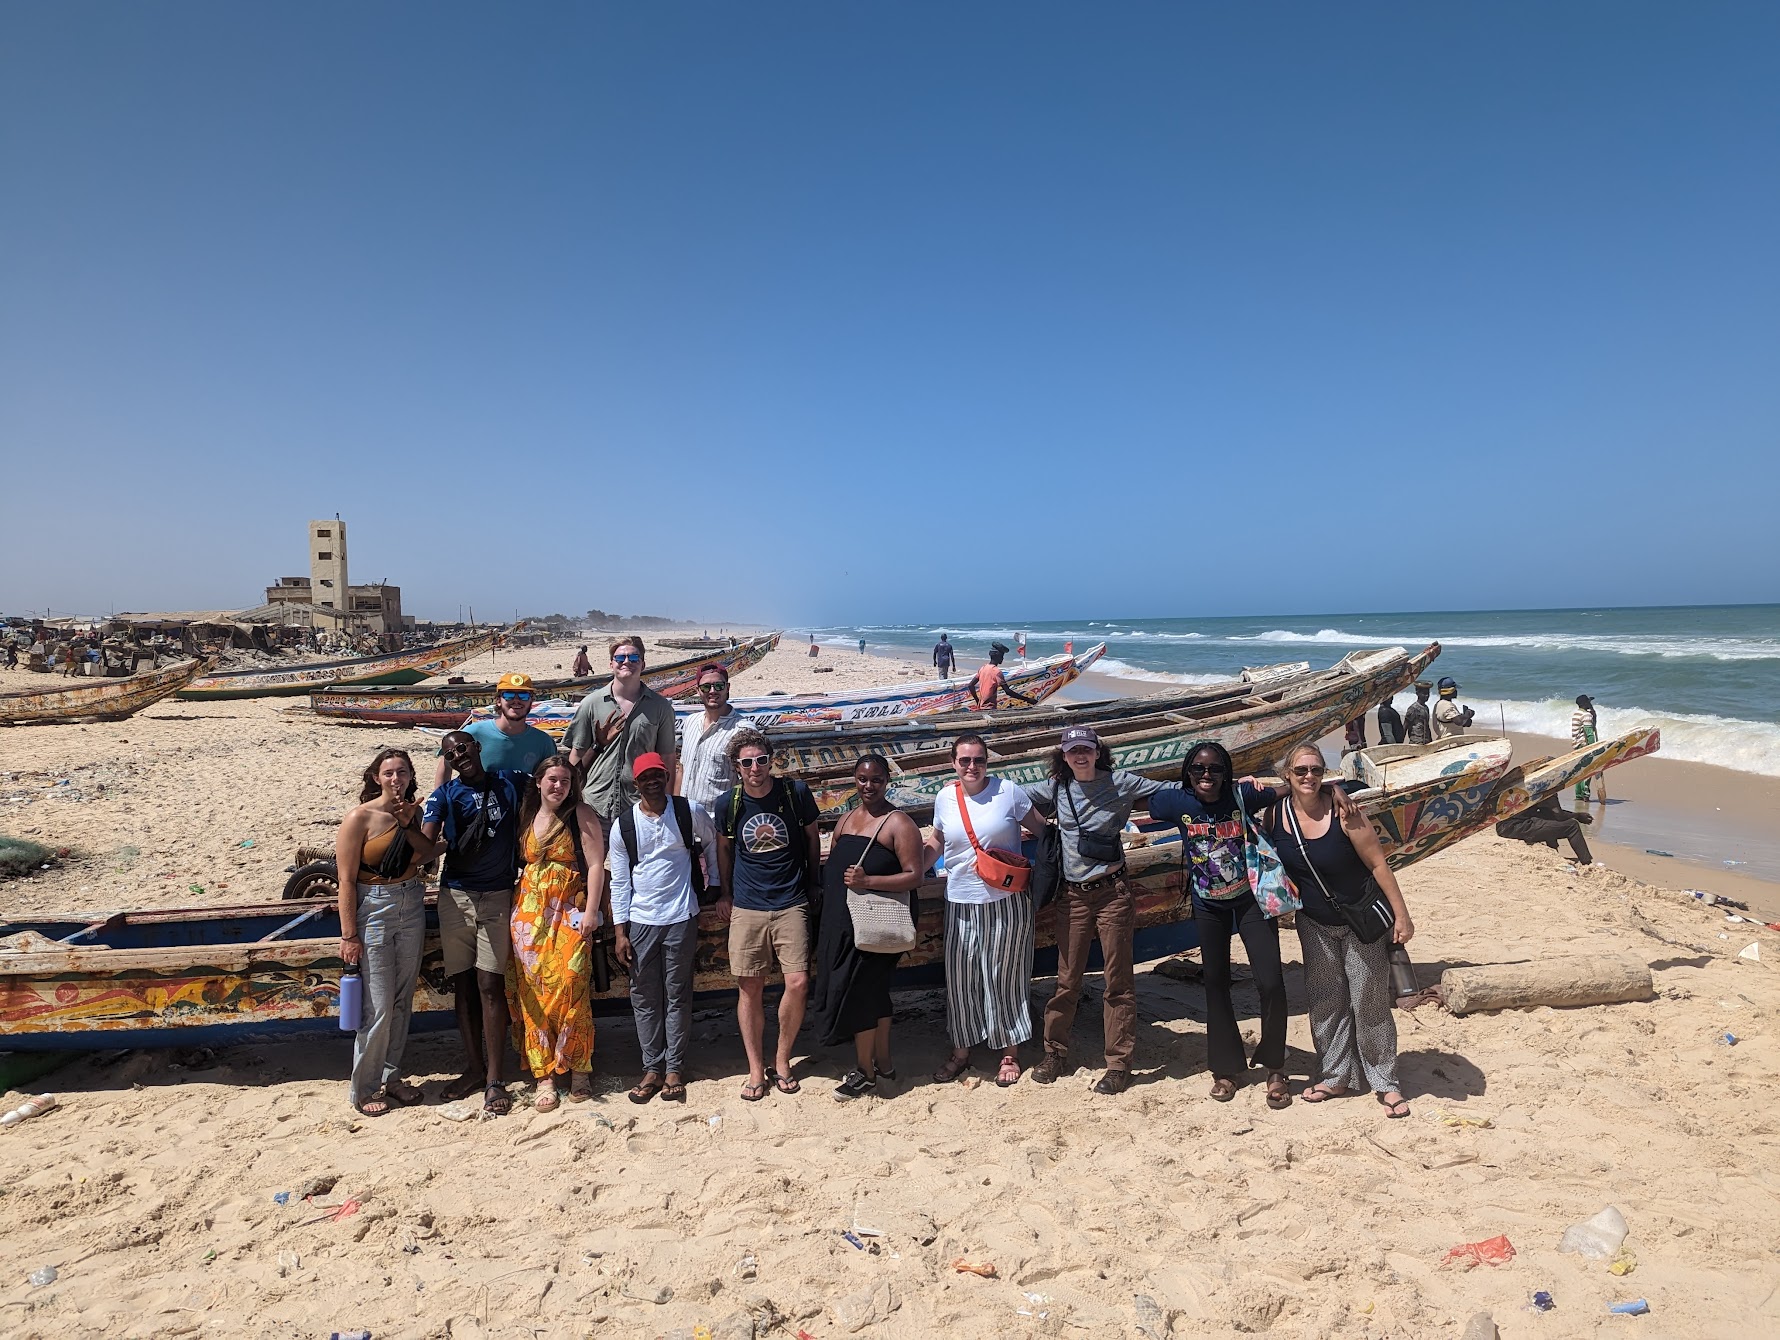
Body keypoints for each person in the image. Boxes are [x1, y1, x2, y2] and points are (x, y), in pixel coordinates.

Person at [1263, 742, 1415, 1119]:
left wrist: (1402, 915)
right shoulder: (1273, 815)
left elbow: (1379, 865)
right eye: (1301, 771)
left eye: (1317, 770)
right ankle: (1335, 1075)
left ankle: (1385, 1081)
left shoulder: (1345, 813)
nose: (1309, 777)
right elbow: (1234, 797)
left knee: (1370, 1000)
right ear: (1287, 776)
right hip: (1314, 923)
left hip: (1360, 921)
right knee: (1325, 1000)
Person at [1149, 740, 1300, 1108]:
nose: (1206, 775)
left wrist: (1333, 792)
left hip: (1249, 901)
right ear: (1187, 772)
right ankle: (1226, 1068)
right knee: (1216, 984)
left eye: (1215, 769)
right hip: (1207, 906)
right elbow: (1140, 801)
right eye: (1199, 769)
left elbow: (1290, 788)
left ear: (1226, 772)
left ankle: (1275, 1067)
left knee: (1271, 982)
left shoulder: (1241, 795)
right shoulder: (1175, 802)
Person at [1025, 726, 1163, 1095]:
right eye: (1073, 751)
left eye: (1086, 749)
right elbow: (1011, 797)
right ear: (1064, 755)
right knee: (1067, 980)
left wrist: (1237, 785)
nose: (1080, 756)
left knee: (1118, 982)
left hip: (1112, 894)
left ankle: (1118, 1065)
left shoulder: (1122, 782)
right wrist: (960, 788)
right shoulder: (1056, 787)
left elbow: (1171, 792)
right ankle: (1054, 1053)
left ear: (1098, 751)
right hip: (1071, 897)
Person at [926, 733, 1050, 1087]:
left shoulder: (1009, 792)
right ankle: (962, 1050)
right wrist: (912, 870)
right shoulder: (945, 797)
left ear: (987, 762)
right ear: (953, 763)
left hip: (1006, 900)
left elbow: (1042, 832)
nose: (971, 766)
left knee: (1005, 976)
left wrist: (1050, 875)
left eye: (978, 760)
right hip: (960, 899)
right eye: (964, 760)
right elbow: (936, 841)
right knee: (962, 978)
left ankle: (1009, 1050)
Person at [421, 731, 532, 1116]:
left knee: (490, 982)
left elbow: (558, 781)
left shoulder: (510, 781)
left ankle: (495, 1078)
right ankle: (474, 1067)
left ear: (477, 748)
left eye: (463, 748)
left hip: (499, 895)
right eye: (450, 753)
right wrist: (418, 838)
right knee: (464, 984)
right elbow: (426, 844)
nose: (458, 756)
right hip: (456, 897)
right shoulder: (443, 796)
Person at [334, 748, 443, 1116]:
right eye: (389, 773)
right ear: (376, 778)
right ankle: (365, 1088)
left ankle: (392, 1077)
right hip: (374, 908)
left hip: (410, 901)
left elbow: (425, 855)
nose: (396, 779)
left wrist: (411, 824)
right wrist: (349, 935)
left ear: (411, 776)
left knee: (400, 1000)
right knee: (377, 1006)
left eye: (402, 772)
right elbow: (345, 880)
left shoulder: (413, 813)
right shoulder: (359, 818)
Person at [811, 754, 924, 1100]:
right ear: (854, 780)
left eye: (876, 780)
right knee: (874, 993)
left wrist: (869, 879)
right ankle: (885, 1063)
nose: (868, 786)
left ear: (887, 781)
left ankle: (865, 1073)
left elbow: (914, 875)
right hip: (842, 922)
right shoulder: (845, 819)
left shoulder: (898, 823)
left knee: (860, 993)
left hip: (878, 923)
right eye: (862, 779)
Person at [717, 729, 822, 1100]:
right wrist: (725, 893)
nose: (755, 768)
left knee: (797, 983)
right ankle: (754, 1067)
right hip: (748, 905)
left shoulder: (795, 794)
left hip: (791, 900)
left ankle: (782, 1060)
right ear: (737, 767)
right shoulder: (727, 804)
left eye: (761, 760)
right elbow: (724, 850)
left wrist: (814, 882)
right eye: (747, 762)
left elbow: (812, 838)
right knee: (750, 987)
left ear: (770, 760)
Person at [611, 752, 715, 1104]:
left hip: (681, 917)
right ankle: (651, 1067)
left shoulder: (688, 811)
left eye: (658, 775)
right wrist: (620, 931)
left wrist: (715, 886)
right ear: (636, 784)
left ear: (667, 776)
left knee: (677, 995)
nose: (653, 782)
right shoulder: (624, 825)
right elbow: (621, 881)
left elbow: (713, 844)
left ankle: (673, 1069)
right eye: (646, 777)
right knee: (644, 997)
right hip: (641, 921)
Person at [508, 753, 606, 1111]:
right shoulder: (527, 816)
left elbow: (596, 864)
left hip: (568, 912)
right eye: (552, 780)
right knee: (532, 994)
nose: (558, 786)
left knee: (570, 983)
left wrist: (592, 911)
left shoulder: (580, 813)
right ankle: (544, 1074)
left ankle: (578, 1066)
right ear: (538, 782)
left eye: (565, 780)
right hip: (527, 919)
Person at [564, 637, 678, 827]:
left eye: (634, 658)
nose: (627, 662)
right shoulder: (591, 704)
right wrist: (568, 798)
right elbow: (577, 753)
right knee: (591, 858)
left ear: (643, 664)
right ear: (611, 664)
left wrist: (668, 804)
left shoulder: (660, 707)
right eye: (620, 658)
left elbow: (667, 758)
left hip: (641, 806)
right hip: (595, 804)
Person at [675, 664, 749, 893]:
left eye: (718, 685)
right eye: (706, 686)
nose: (712, 691)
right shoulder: (690, 723)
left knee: (720, 894)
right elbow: (682, 768)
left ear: (728, 688)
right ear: (698, 690)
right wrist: (675, 809)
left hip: (720, 831)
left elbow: (750, 781)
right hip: (687, 826)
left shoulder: (742, 730)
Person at [433, 672, 556, 789]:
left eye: (524, 695)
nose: (516, 700)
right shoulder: (473, 733)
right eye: (509, 695)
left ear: (531, 700)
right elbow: (446, 764)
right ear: (498, 701)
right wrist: (439, 801)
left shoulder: (543, 741)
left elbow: (552, 779)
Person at [1496, 793, 1594, 864]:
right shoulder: (1549, 789)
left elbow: (1551, 813)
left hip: (1503, 825)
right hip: (1516, 827)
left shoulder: (1535, 786)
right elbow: (1559, 815)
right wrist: (1578, 816)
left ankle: (1553, 850)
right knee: (1572, 826)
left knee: (1547, 817)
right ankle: (1586, 862)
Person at [969, 645, 1036, 711]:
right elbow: (1008, 691)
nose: (1003, 658)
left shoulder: (982, 668)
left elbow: (970, 685)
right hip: (989, 708)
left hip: (981, 707)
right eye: (1002, 656)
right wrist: (1028, 699)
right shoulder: (996, 672)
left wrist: (978, 701)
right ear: (997, 656)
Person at [1571, 695, 1604, 801]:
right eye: (1589, 702)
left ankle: (1578, 794)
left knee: (1579, 770)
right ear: (1586, 704)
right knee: (1588, 769)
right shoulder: (1586, 715)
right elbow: (1589, 733)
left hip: (1577, 745)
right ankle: (1585, 793)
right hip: (1585, 745)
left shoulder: (1576, 714)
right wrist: (1593, 747)